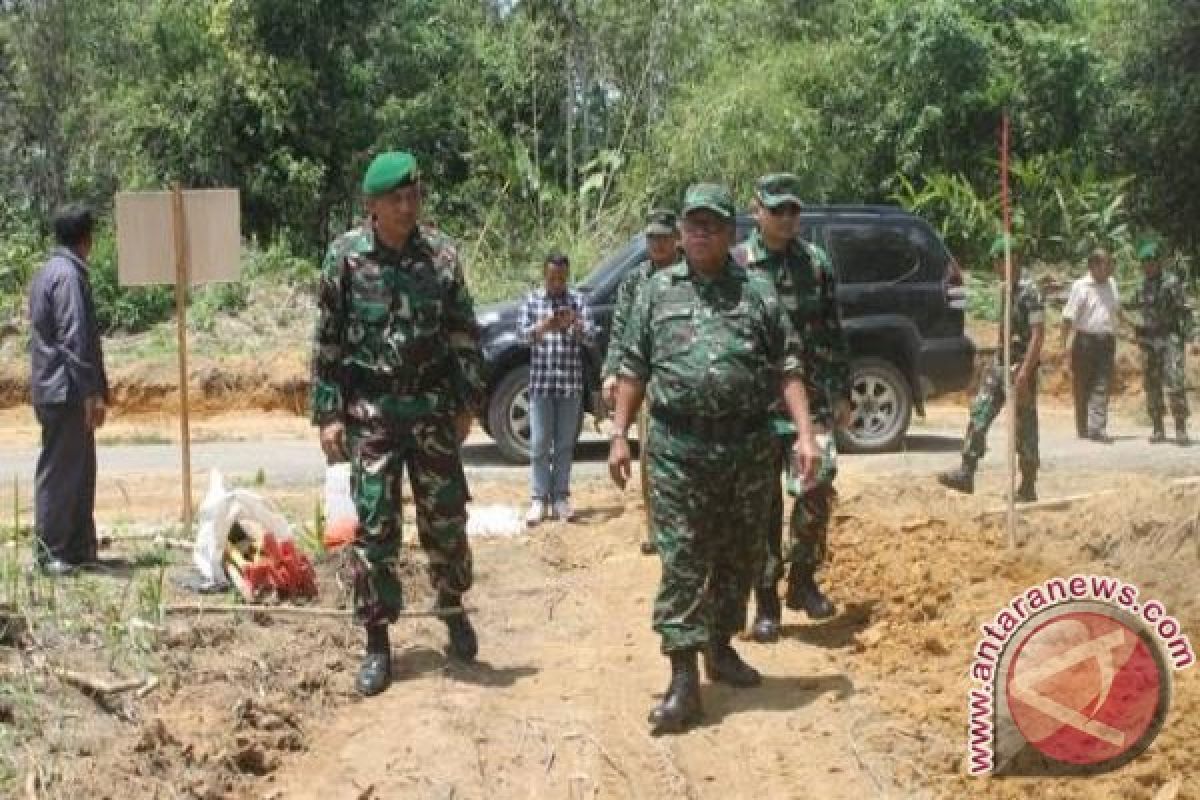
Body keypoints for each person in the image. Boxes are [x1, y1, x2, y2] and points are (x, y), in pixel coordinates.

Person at [608, 183, 819, 735]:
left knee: (739, 557)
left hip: (746, 450)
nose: (700, 233)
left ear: (731, 233)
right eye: (692, 224)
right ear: (680, 232)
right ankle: (682, 679)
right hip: (678, 449)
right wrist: (618, 436)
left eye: (712, 225)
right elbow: (633, 369)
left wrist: (805, 435)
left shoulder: (758, 293)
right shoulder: (655, 292)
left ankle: (720, 645)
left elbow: (789, 368)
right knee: (682, 559)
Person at [311, 151, 483, 696]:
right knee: (376, 528)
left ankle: (453, 607)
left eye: (414, 197)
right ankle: (378, 640)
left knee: (447, 519)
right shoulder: (345, 258)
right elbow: (327, 342)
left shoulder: (443, 258)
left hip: (431, 407)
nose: (408, 207)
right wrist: (327, 415)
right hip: (372, 413)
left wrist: (467, 404)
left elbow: (463, 334)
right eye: (397, 199)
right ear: (373, 206)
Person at [731, 174, 849, 642]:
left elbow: (834, 331)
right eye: (776, 210)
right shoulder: (738, 264)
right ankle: (766, 600)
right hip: (756, 405)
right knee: (761, 506)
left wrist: (841, 390)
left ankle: (802, 580)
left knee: (815, 492)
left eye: (793, 211)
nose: (786, 219)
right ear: (756, 210)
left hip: (812, 402)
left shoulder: (816, 263)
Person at [28, 204, 109, 577]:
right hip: (67, 391)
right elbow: (75, 338)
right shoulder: (69, 277)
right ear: (86, 239)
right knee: (61, 473)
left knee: (78, 470)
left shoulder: (48, 272)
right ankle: (51, 551)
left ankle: (77, 548)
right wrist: (91, 392)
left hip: (58, 388)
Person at [938, 236, 1044, 502]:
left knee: (1025, 427)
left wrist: (1024, 374)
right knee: (980, 413)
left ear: (1013, 259)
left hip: (1021, 365)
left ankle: (1028, 484)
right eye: (996, 262)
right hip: (1000, 362)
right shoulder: (1006, 288)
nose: (997, 267)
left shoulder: (1031, 291)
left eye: (1001, 261)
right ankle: (967, 471)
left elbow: (1038, 335)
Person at [601, 209, 680, 554]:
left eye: (663, 237)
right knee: (650, 457)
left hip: (682, 378)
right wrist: (610, 372)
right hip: (646, 382)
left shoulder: (689, 274)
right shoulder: (635, 280)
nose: (657, 244)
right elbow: (620, 329)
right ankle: (656, 529)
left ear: (676, 238)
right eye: (652, 238)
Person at [517, 253, 596, 526]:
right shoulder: (532, 300)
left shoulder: (578, 301)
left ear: (567, 276)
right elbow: (521, 337)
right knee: (539, 444)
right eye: (552, 277)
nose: (557, 283)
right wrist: (545, 326)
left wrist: (574, 324)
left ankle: (561, 497)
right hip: (541, 384)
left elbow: (591, 337)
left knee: (564, 445)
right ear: (544, 275)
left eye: (562, 278)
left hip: (570, 385)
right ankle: (539, 499)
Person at [1133, 236, 1192, 445]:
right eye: (1144, 263)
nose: (1147, 267)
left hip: (1169, 337)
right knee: (1152, 384)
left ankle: (1180, 428)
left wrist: (1189, 336)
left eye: (1150, 262)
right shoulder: (1141, 286)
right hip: (1149, 339)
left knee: (1175, 382)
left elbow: (1185, 310)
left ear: (1158, 262)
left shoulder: (1171, 283)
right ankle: (1158, 427)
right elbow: (1137, 311)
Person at [1061, 248, 1120, 443]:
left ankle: (1097, 428)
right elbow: (1068, 319)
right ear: (1093, 266)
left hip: (1106, 341)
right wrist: (1064, 348)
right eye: (1106, 265)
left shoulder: (1112, 284)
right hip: (1085, 341)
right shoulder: (1081, 286)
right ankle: (1083, 426)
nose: (1110, 269)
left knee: (1102, 383)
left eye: (1110, 264)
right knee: (1082, 384)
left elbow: (1115, 311)